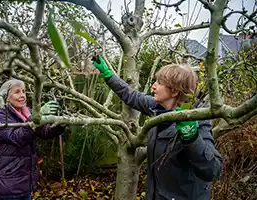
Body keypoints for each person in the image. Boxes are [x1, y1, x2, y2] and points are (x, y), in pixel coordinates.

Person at [92, 56, 223, 200]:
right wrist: (109, 76)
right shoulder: (158, 109)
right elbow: (132, 96)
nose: (153, 86)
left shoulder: (197, 120)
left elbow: (213, 170)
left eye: (159, 83)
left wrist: (191, 137)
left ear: (174, 91)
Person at [0, 79, 64, 200]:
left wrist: (60, 123)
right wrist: (37, 116)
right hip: (9, 185)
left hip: (26, 183)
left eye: (23, 91)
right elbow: (17, 137)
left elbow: (44, 131)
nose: (22, 95)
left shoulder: (27, 113)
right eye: (17, 92)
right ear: (5, 97)